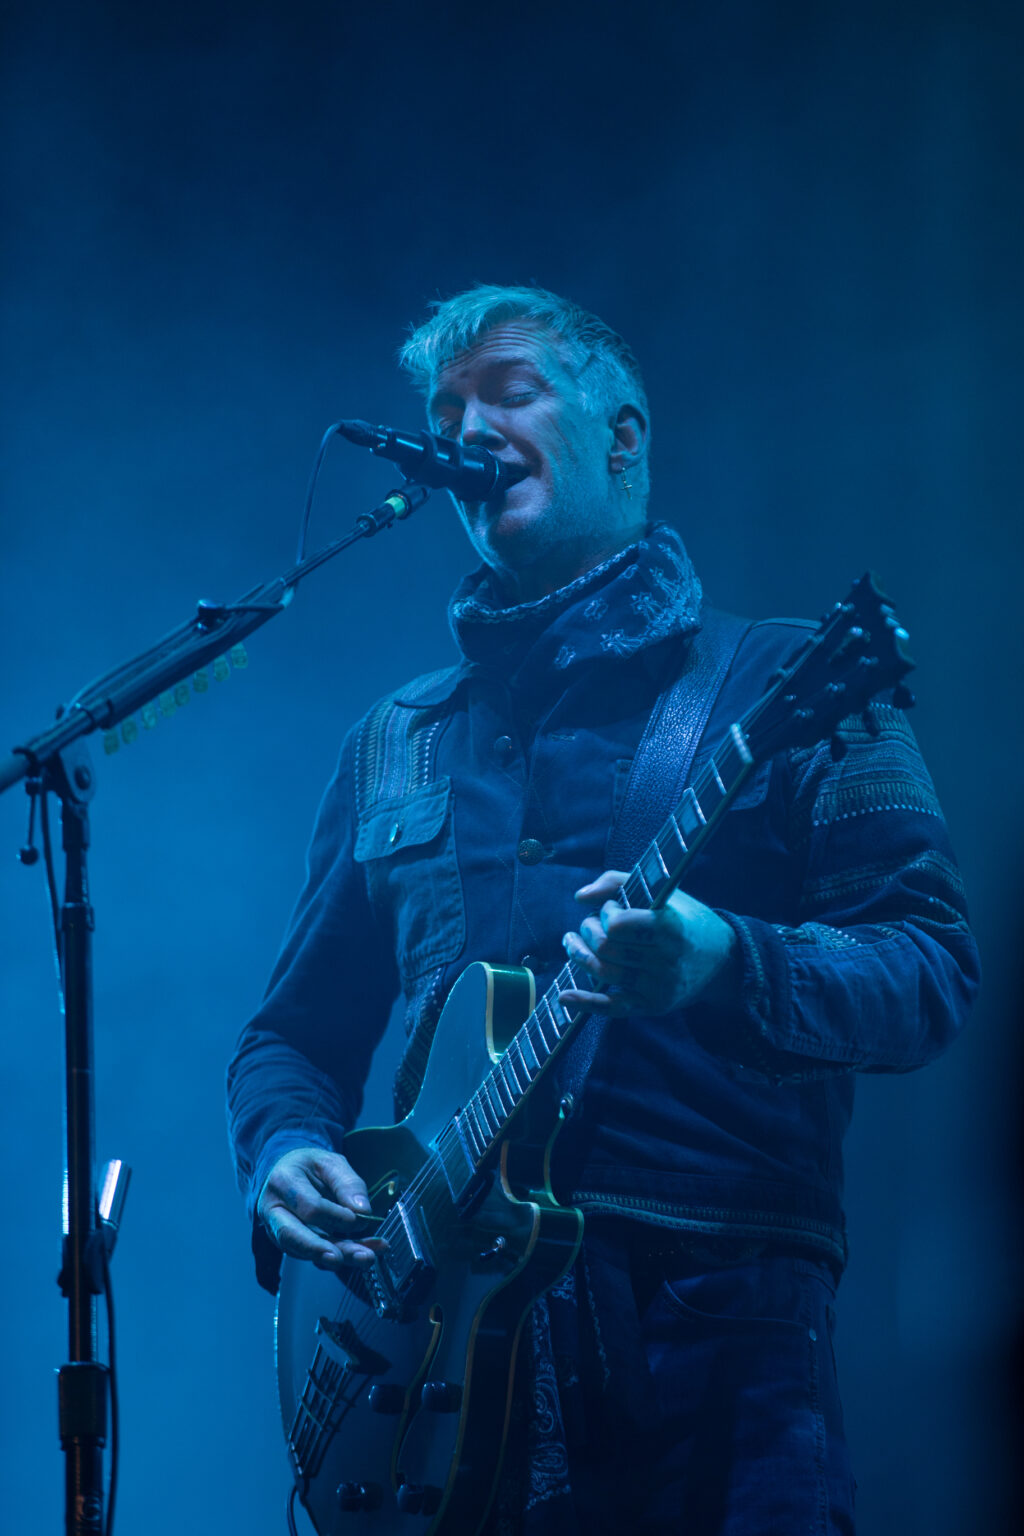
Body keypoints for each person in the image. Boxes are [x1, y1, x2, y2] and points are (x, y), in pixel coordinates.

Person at [227, 284, 979, 1534]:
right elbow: (291, 1037)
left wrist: (726, 960)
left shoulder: (790, 679)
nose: (468, 427)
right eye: (444, 407)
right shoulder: (393, 742)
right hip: (428, 1368)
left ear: (622, 434)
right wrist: (282, 1153)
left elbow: (928, 968)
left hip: (713, 1353)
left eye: (509, 391)